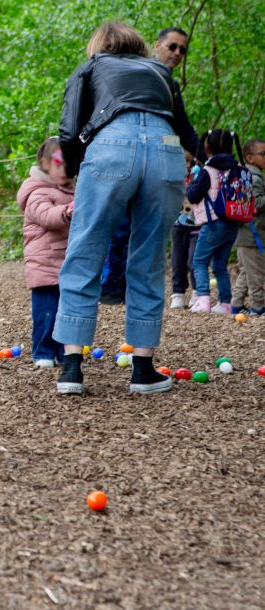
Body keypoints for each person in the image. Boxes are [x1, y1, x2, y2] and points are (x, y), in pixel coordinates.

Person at [55, 22, 190, 396]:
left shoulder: (91, 66)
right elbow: (185, 130)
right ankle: (142, 370)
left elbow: (68, 130)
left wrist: (69, 173)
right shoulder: (162, 72)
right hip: (166, 150)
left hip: (111, 147)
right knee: (147, 258)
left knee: (85, 251)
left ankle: (71, 368)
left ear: (98, 46)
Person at [98, 26, 203, 305]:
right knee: (118, 224)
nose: (178, 53)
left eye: (183, 49)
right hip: (122, 156)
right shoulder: (124, 73)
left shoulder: (170, 84)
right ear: (157, 45)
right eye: (172, 46)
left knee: (149, 226)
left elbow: (180, 127)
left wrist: (210, 157)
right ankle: (111, 286)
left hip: (158, 160)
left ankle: (137, 289)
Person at [17, 137, 75, 368]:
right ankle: (43, 351)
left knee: (66, 311)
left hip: (67, 262)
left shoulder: (72, 190)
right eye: (59, 164)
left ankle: (63, 352)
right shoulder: (37, 191)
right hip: (44, 263)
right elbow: (46, 216)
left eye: (69, 164)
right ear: (45, 163)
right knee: (46, 312)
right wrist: (67, 211)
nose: (65, 170)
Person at [186, 129, 249, 314]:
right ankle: (225, 303)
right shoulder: (238, 167)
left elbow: (193, 196)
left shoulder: (208, 170)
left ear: (207, 149)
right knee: (220, 265)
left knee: (199, 261)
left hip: (213, 223)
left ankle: (203, 300)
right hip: (233, 223)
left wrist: (192, 183)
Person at [231, 138, 265, 315]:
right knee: (257, 274)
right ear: (250, 158)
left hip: (246, 235)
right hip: (253, 236)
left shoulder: (246, 174)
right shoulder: (255, 177)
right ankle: (258, 307)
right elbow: (257, 204)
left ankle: (236, 304)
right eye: (263, 154)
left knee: (247, 271)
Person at [169, 151, 200, 308]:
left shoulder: (201, 176)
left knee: (194, 260)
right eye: (184, 162)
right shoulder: (173, 177)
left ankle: (197, 292)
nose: (188, 166)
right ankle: (178, 293)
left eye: (191, 162)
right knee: (177, 260)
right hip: (177, 225)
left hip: (197, 225)